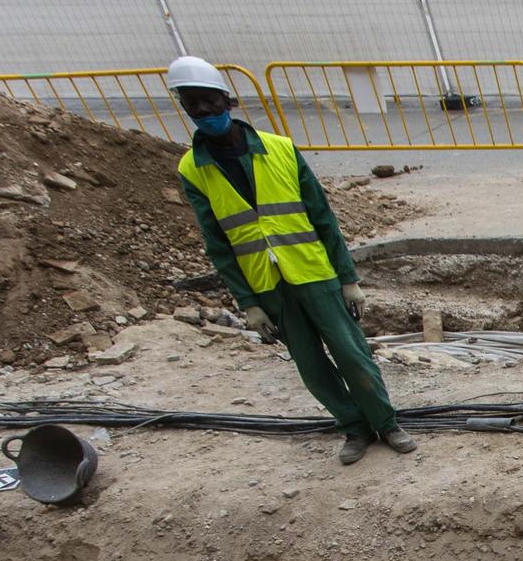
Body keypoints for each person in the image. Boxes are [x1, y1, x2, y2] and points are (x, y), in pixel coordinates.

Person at [166, 56, 413, 467]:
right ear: (185, 107)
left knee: (352, 354)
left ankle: (386, 423)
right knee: (312, 367)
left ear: (228, 100)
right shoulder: (193, 169)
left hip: (314, 272)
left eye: (210, 101)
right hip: (267, 283)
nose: (205, 112)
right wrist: (248, 304)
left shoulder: (280, 150)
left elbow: (323, 218)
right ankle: (353, 428)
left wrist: (348, 277)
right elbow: (219, 245)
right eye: (194, 104)